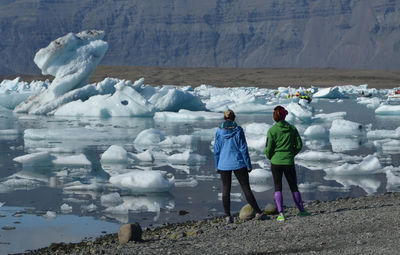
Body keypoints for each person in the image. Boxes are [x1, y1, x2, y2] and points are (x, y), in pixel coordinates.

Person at [214, 110, 266, 223]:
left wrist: (217, 165)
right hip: (239, 163)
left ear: (224, 118)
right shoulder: (238, 130)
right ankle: (259, 212)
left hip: (223, 164)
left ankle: (228, 216)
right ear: (234, 118)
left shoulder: (219, 131)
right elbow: (243, 148)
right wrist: (248, 164)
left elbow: (216, 150)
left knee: (226, 189)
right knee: (246, 188)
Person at [265, 105, 310, 222]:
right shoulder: (292, 129)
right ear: (285, 115)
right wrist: (291, 154)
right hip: (289, 161)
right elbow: (299, 145)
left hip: (276, 162)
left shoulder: (272, 130)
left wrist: (271, 157)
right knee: (293, 186)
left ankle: (281, 213)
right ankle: (301, 210)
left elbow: (269, 148)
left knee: (277, 187)